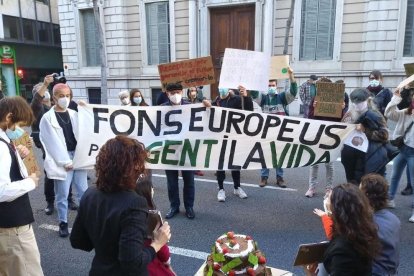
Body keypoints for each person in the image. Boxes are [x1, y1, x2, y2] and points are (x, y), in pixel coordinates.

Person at [70, 136, 171, 276]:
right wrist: (158, 244)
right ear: (133, 167)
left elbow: (78, 241)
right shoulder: (134, 203)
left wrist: (104, 240)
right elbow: (133, 263)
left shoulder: (90, 193)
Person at [0, 96, 43, 276]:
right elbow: (1, 191)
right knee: (27, 270)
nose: (20, 130)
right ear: (9, 117)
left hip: (7, 225)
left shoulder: (6, 142)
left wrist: (19, 155)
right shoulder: (1, 147)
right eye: (19, 125)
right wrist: (30, 182)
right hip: (13, 227)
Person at [39, 83, 88, 237]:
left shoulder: (74, 114)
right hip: (63, 159)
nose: (65, 99)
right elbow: (50, 142)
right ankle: (63, 222)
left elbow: (88, 130)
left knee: (83, 192)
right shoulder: (47, 118)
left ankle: (85, 222)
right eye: (61, 96)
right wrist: (65, 161)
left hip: (79, 156)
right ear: (54, 97)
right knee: (62, 194)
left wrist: (87, 109)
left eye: (67, 95)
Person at [304, 184, 380, 276]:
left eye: (329, 199)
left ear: (338, 209)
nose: (326, 201)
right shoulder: (362, 231)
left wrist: (310, 274)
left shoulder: (341, 250)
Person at [161, 83, 211, 219]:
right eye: (172, 93)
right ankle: (174, 206)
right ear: (167, 94)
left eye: (178, 92)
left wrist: (207, 107)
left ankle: (189, 206)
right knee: (171, 182)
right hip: (169, 150)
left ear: (182, 92)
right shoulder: (161, 109)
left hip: (187, 150)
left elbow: (207, 120)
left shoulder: (191, 106)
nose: (175, 95)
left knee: (189, 180)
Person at [30, 75, 77, 215]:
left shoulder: (60, 107)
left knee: (66, 175)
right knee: (51, 175)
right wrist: (44, 84)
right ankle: (50, 202)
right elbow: (36, 103)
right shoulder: (39, 110)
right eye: (41, 92)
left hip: (67, 147)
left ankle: (69, 198)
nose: (45, 93)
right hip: (50, 148)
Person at [305, 78, 347, 198]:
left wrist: (342, 109)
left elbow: (342, 121)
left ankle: (329, 189)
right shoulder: (315, 99)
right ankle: (312, 187)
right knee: (314, 163)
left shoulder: (339, 99)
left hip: (331, 137)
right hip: (318, 136)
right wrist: (313, 108)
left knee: (329, 164)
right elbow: (310, 119)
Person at [213, 86, 253, 202]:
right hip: (220, 138)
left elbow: (248, 112)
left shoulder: (236, 100)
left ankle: (237, 187)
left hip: (234, 136)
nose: (223, 89)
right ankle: (221, 189)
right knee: (220, 165)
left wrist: (245, 97)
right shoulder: (215, 102)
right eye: (221, 87)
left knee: (235, 164)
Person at [341, 88, 389, 184]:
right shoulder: (349, 114)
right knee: (353, 183)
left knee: (368, 185)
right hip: (351, 156)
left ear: (367, 100)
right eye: (354, 102)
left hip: (369, 155)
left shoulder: (375, 115)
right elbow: (341, 129)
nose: (356, 105)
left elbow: (385, 135)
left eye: (359, 102)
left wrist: (365, 130)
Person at [259, 67, 297, 188]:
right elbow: (254, 94)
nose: (271, 87)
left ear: (276, 86)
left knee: (279, 155)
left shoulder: (281, 97)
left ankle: (279, 177)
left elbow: (293, 91)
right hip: (266, 132)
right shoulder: (263, 99)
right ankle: (264, 177)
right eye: (269, 85)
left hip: (280, 132)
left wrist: (291, 76)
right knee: (265, 155)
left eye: (273, 85)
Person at [360, 174, 400, 275]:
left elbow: (341, 246)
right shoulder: (393, 219)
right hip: (391, 270)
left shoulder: (368, 224)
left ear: (366, 195)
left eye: (359, 192)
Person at [135, 178, 176, 276]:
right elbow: (162, 248)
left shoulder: (125, 211)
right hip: (148, 263)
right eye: (152, 188)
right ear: (148, 192)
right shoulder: (153, 216)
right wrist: (168, 263)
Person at [384, 88, 414, 218]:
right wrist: (395, 98)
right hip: (402, 149)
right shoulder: (406, 113)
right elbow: (389, 113)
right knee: (395, 175)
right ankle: (390, 199)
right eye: (413, 96)